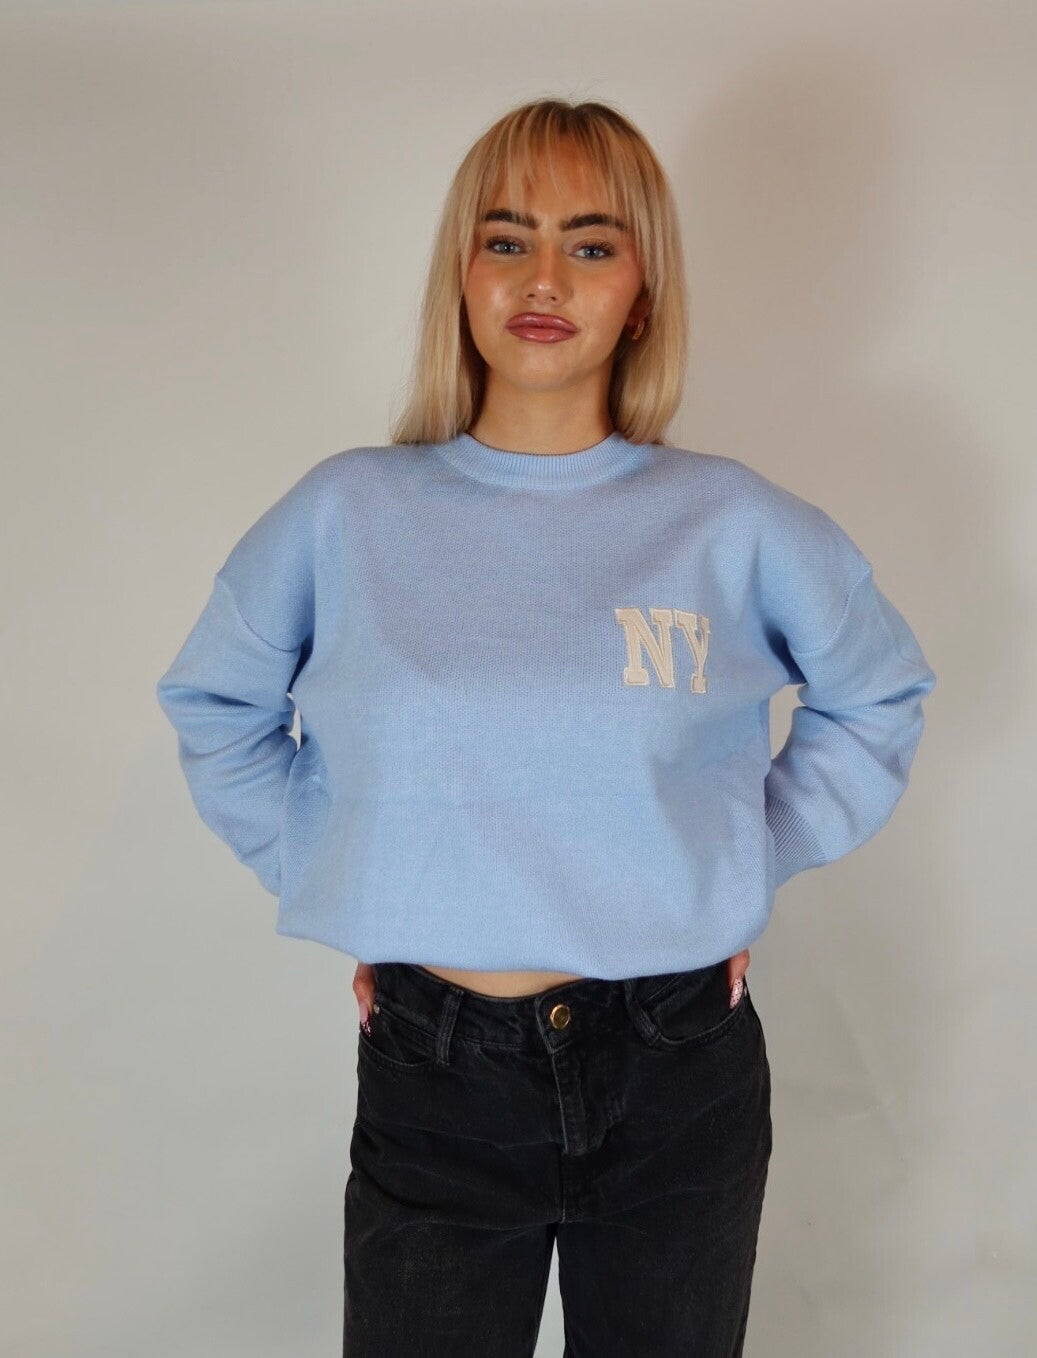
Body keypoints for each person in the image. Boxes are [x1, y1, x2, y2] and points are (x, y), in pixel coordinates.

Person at [156, 97, 936, 1356]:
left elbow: (877, 691)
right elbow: (216, 703)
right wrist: (343, 870)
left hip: (677, 1062)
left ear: (641, 293)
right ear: (461, 274)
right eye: (506, 238)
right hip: (436, 1071)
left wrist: (735, 861)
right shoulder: (348, 512)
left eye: (590, 243)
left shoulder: (729, 522)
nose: (543, 280)